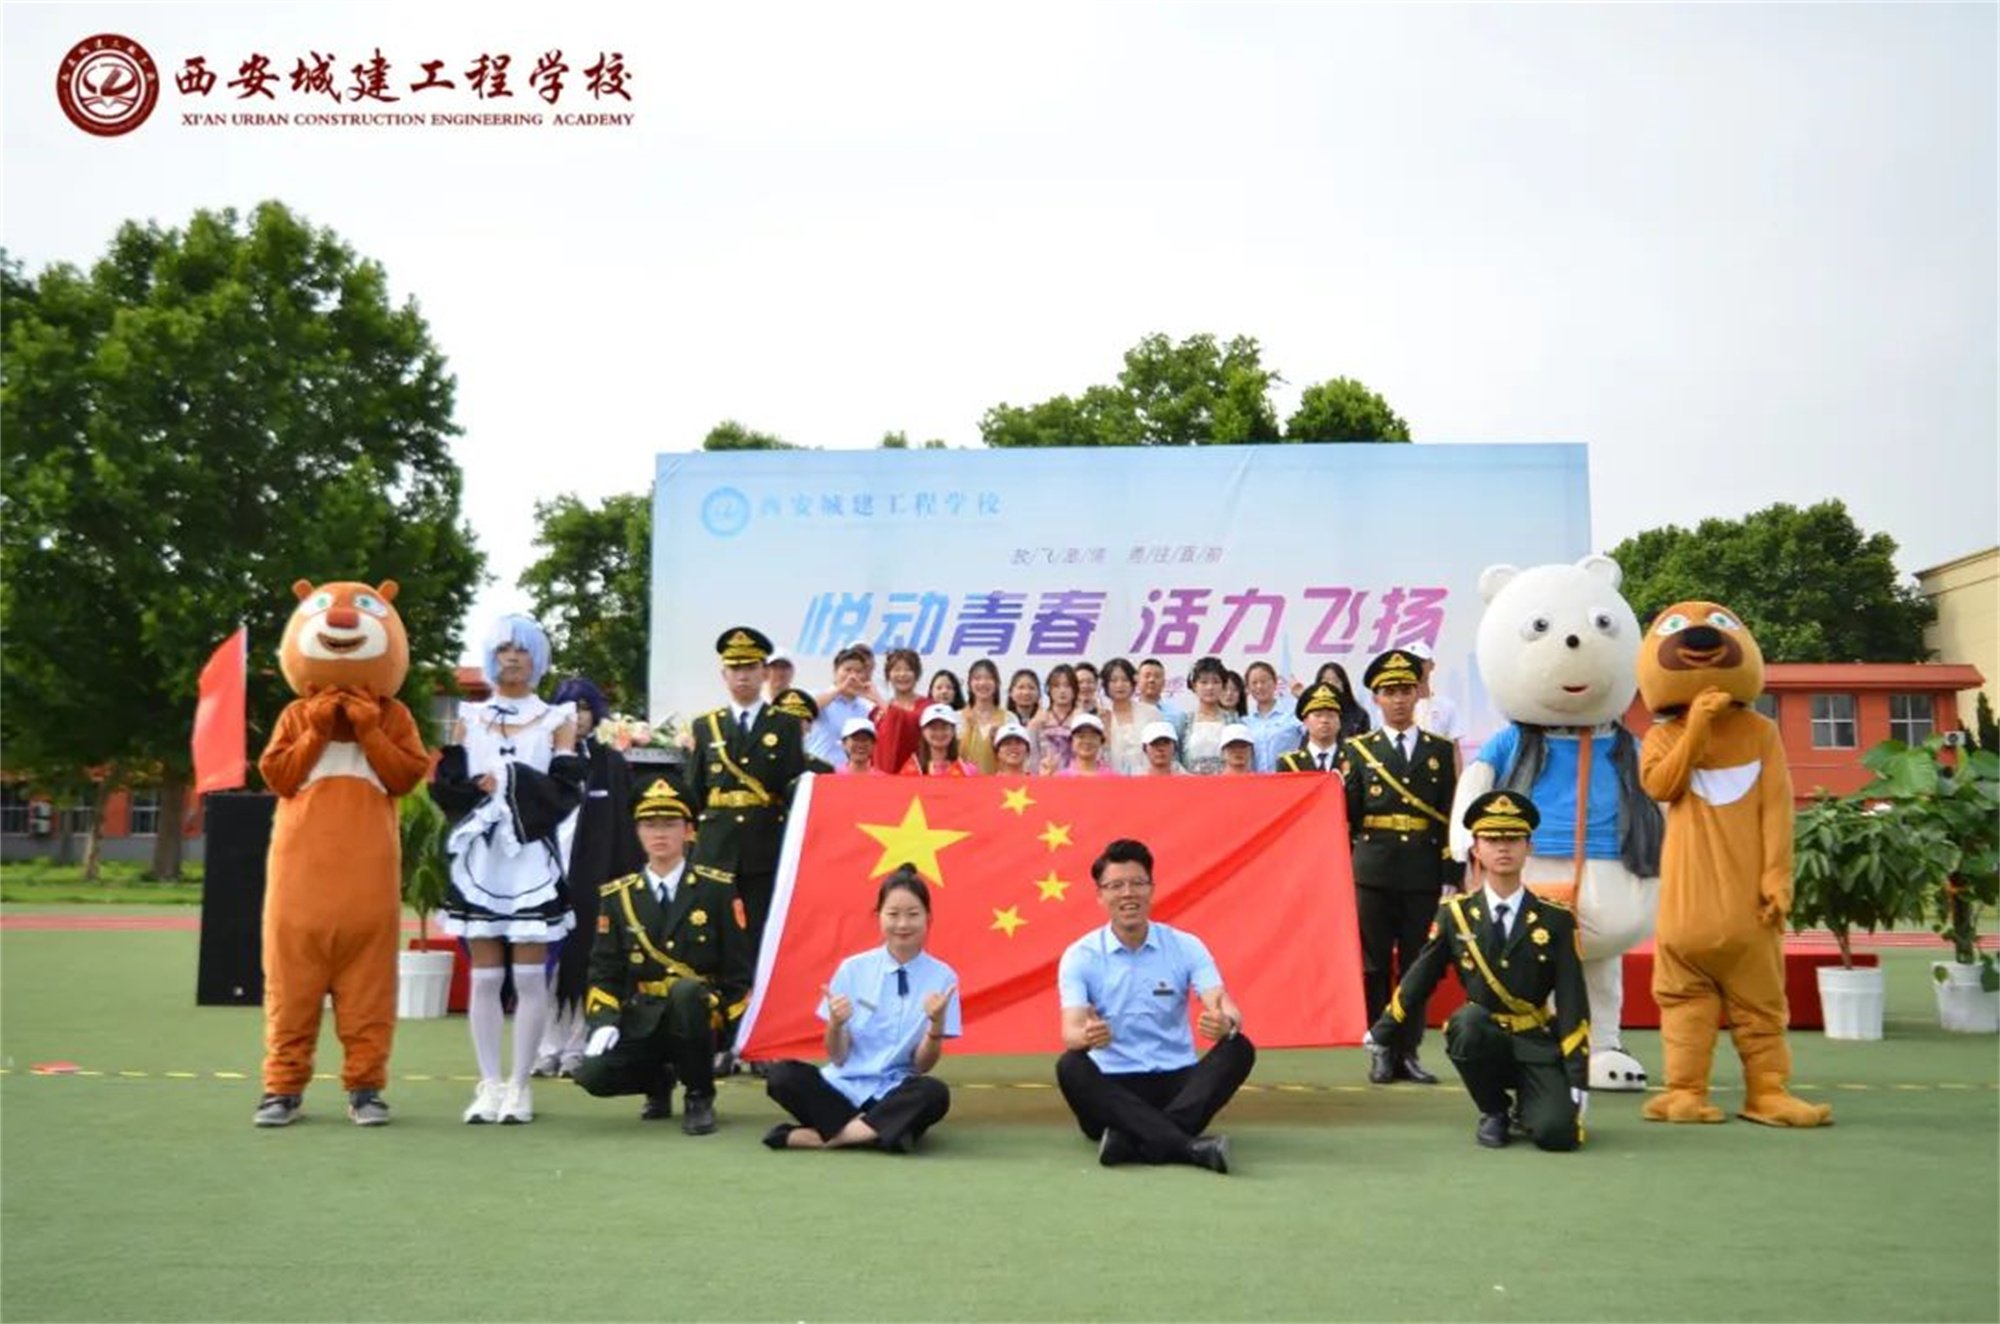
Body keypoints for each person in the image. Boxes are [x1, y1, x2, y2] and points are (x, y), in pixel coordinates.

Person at [1368, 791, 1588, 1151]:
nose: (1503, 847)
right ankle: (1494, 1110)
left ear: (1528, 847)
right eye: (1492, 839)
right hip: (1483, 1039)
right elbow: (1421, 975)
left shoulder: (1556, 919)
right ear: (1476, 849)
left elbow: (1572, 997)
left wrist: (1578, 1072)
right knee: (1466, 1023)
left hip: (1535, 1040)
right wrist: (1384, 1029)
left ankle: (1529, 1106)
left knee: (1557, 1135)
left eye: (1513, 839)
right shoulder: (1455, 915)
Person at [430, 614, 582, 1124]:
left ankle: (520, 1086)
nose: (512, 658)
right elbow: (447, 788)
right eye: (503, 649)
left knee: (532, 976)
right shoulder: (468, 717)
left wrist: (512, 782)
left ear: (537, 659)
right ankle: (490, 1084)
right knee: (484, 978)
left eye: (522, 650)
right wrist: (478, 791)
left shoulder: (557, 718)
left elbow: (565, 792)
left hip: (531, 855)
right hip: (482, 857)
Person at [1055, 838, 1254, 1173]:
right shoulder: (1080, 955)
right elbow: (1070, 1032)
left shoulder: (1186, 946)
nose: (1128, 893)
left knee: (1239, 1047)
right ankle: (1186, 1147)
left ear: (1151, 889)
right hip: (1111, 1086)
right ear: (1100, 896)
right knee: (1070, 1065)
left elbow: (1226, 1007)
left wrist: (1226, 1023)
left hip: (1177, 1084)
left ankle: (1133, 1141)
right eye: (1116, 886)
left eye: (1137, 883)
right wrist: (1087, 1036)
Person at [573, 781, 753, 1135]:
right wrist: (604, 1021)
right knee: (593, 1075)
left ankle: (699, 1095)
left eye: (670, 824)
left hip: (701, 1016)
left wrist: (739, 1031)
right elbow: (604, 970)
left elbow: (737, 969)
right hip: (643, 1015)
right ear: (637, 832)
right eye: (649, 825)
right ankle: (658, 1079)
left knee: (685, 993)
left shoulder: (716, 889)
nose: (659, 834)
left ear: (689, 831)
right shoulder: (618, 897)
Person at [762, 866, 961, 1152]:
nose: (902, 924)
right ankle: (884, 1133)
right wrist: (836, 1024)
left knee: (934, 1093)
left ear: (928, 918)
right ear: (878, 916)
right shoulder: (853, 969)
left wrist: (936, 1025)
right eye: (893, 914)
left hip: (892, 1092)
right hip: (842, 1088)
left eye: (913, 914)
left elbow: (921, 1066)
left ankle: (823, 1137)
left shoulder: (943, 977)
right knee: (782, 1075)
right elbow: (838, 1056)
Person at [1340, 649, 1463, 1085]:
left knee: (1417, 965)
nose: (1398, 699)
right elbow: (1346, 817)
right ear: (1376, 698)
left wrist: (1452, 875)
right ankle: (1381, 1047)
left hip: (1422, 870)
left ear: (1418, 694)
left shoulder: (1439, 750)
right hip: (1372, 870)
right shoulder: (1358, 751)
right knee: (1374, 965)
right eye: (1389, 692)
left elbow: (1449, 816)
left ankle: (1408, 1051)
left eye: (1405, 690)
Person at [682, 627, 815, 960]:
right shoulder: (706, 726)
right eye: (735, 668)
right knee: (710, 926)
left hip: (763, 842)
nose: (742, 675)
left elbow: (794, 788)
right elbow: (694, 790)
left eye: (750, 667)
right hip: (715, 845)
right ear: (724, 674)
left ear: (764, 672)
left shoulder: (784, 724)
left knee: (759, 930)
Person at [537, 676, 646, 1080]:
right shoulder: (540, 759)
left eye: (584, 708)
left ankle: (576, 1046)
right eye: (568, 708)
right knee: (544, 966)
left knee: (587, 963)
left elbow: (624, 828)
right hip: (544, 879)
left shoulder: (610, 763)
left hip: (593, 881)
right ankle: (544, 1047)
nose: (577, 716)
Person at [808, 645, 876, 769]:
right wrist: (840, 689)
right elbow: (807, 708)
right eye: (847, 670)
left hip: (849, 775)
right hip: (818, 771)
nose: (852, 676)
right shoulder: (820, 697)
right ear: (835, 672)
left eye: (858, 671)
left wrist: (874, 696)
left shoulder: (866, 707)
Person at [1099, 657, 1162, 776]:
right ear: (1106, 685)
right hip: (1112, 780)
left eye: (1125, 680)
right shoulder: (1101, 717)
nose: (1120, 685)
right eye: (1114, 680)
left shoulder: (1151, 713)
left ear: (1133, 682)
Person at [871, 647, 926, 779]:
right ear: (888, 675)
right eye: (896, 670)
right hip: (884, 779)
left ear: (917, 674)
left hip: (918, 776)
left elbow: (910, 721)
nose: (902, 674)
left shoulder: (927, 706)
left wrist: (879, 700)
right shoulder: (877, 712)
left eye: (908, 670)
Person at [1409, 642, 1463, 771]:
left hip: (1439, 775)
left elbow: (1455, 751)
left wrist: (1459, 782)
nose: (1415, 667)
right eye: (1410, 662)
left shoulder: (1447, 706)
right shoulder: (1396, 708)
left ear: (1432, 665)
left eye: (1421, 661)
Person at [1242, 661, 1303, 772]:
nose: (1259, 686)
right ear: (1248, 688)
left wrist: (1303, 697)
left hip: (1287, 779)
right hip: (1256, 781)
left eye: (1264, 681)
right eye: (1254, 683)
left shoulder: (1292, 715)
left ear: (1275, 683)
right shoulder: (1245, 723)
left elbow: (1315, 731)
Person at [1276, 683, 1345, 774]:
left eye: (1331, 715)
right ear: (1305, 722)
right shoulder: (1289, 764)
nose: (1324, 720)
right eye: (1318, 715)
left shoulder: (1352, 759)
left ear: (1339, 721)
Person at [1178, 656, 1232, 774]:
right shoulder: (1184, 722)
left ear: (1223, 686)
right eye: (1204, 682)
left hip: (1226, 783)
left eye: (1216, 682)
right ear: (1194, 686)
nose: (1210, 687)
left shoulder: (1233, 721)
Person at [903, 704, 980, 776]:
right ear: (923, 731)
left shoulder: (967, 770)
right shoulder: (912, 770)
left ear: (953, 730)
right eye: (933, 728)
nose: (939, 733)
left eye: (944, 727)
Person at [958, 659, 1005, 774]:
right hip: (962, 782)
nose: (983, 683)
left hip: (1000, 783)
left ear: (997, 683)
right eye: (977, 678)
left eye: (989, 678)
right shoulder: (956, 718)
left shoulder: (1009, 718)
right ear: (969, 684)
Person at [1031, 663, 1080, 772]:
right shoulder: (1040, 719)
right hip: (1044, 776)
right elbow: (1032, 755)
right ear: (1049, 689)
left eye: (1067, 686)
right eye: (1057, 686)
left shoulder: (1081, 719)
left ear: (1075, 689)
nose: (1062, 691)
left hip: (1075, 777)